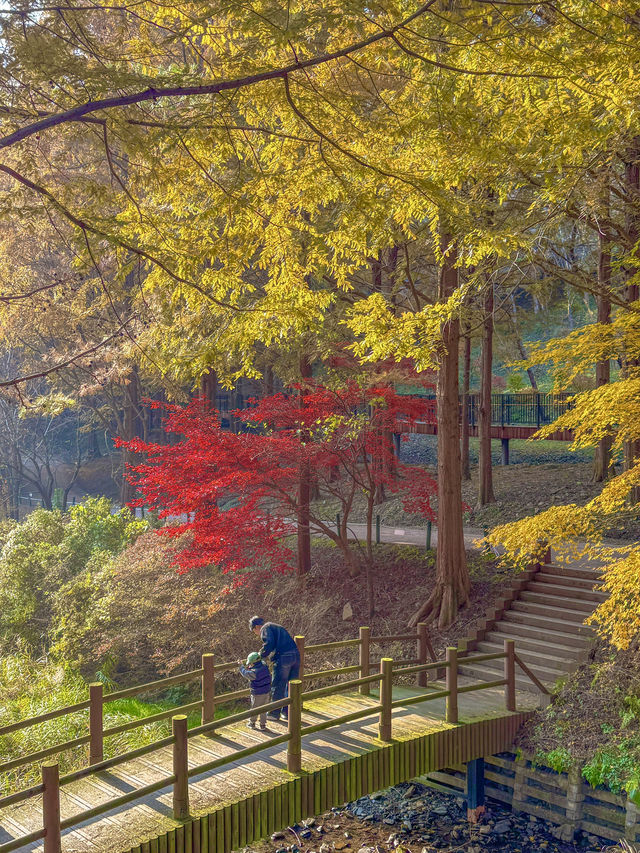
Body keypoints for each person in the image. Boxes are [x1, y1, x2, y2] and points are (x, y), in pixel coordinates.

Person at [249, 616, 300, 722]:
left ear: (257, 627)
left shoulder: (265, 628)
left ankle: (274, 713)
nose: (257, 634)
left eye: (254, 631)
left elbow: (269, 644)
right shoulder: (275, 626)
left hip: (283, 658)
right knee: (290, 686)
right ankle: (287, 712)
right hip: (295, 656)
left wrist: (260, 655)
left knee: (278, 685)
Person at [238, 651, 272, 730]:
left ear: (253, 663)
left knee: (255, 708)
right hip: (267, 691)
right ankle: (263, 724)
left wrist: (241, 666)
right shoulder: (264, 666)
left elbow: (245, 673)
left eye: (250, 663)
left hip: (257, 693)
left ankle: (252, 723)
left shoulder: (254, 673)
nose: (249, 665)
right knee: (264, 708)